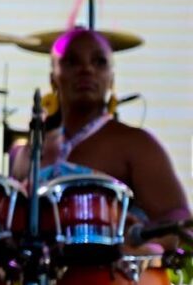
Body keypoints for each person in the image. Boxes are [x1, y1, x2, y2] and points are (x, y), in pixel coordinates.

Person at [10, 27, 190, 231]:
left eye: (99, 62)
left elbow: (178, 221)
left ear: (111, 78)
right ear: (53, 78)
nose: (86, 70)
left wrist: (146, 243)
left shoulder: (138, 144)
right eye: (71, 62)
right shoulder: (28, 152)